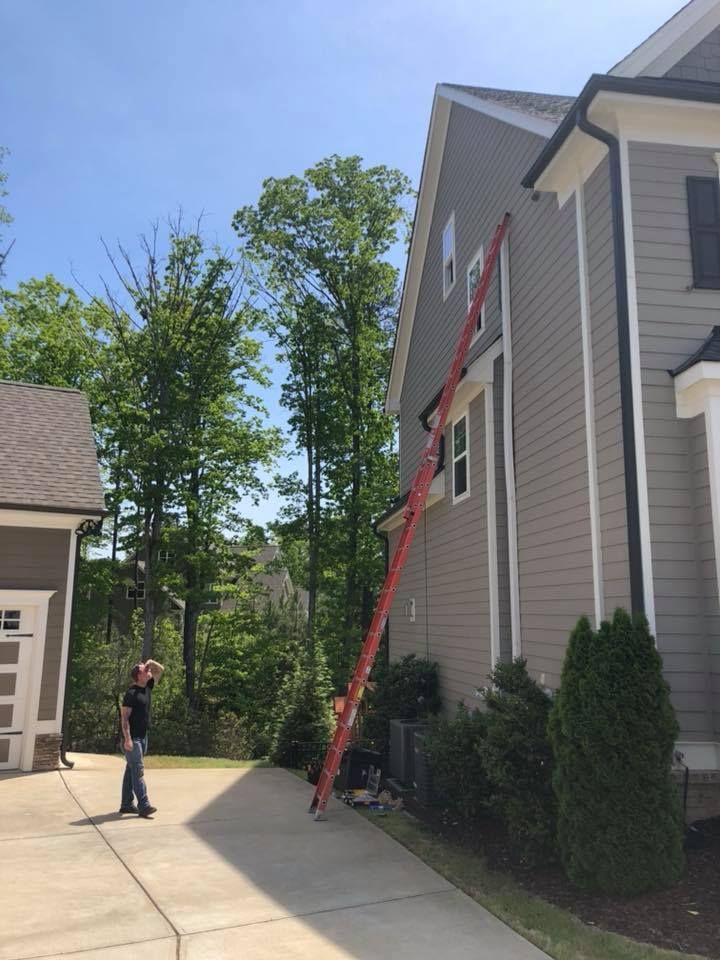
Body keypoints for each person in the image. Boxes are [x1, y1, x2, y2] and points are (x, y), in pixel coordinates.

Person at [119, 659, 164, 817]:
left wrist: (150, 662)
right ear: (139, 675)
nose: (149, 670)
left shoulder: (147, 687)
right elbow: (124, 718)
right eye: (145, 669)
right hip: (133, 739)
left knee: (130, 770)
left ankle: (126, 804)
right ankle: (144, 805)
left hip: (143, 737)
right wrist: (128, 739)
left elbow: (161, 670)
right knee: (137, 771)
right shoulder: (131, 693)